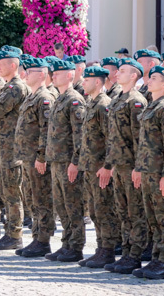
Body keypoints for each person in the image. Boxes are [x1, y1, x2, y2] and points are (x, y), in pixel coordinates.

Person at [102, 58, 148, 274]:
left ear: (133, 76)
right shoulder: (119, 99)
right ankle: (127, 253)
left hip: (130, 166)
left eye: (122, 71)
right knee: (122, 211)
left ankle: (135, 255)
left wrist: (138, 167)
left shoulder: (136, 101)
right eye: (117, 70)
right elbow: (113, 137)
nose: (117, 74)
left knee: (135, 211)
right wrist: (109, 164)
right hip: (118, 165)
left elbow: (141, 139)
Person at [131, 65, 164, 280]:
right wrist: (139, 168)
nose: (149, 81)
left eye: (155, 78)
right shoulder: (151, 107)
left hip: (160, 173)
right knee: (153, 219)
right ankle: (156, 258)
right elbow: (144, 144)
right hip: (148, 171)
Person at [0, 46, 29, 251]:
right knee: (5, 191)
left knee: (12, 194)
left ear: (13, 65)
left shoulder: (15, 88)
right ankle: (10, 232)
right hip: (3, 147)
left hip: (12, 148)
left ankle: (15, 234)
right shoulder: (8, 87)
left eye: (1, 65)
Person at [44, 59, 86, 262]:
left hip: (68, 161)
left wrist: (75, 162)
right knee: (61, 206)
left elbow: (79, 135)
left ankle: (76, 246)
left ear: (70, 75)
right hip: (56, 160)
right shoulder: (59, 99)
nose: (54, 76)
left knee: (73, 205)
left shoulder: (74, 100)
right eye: (53, 73)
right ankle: (66, 243)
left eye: (58, 73)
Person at [14, 57, 56, 258]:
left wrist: (41, 156)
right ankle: (36, 237)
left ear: (41, 75)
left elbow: (46, 130)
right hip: (27, 158)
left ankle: (43, 240)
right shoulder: (31, 97)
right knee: (32, 200)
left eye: (29, 72)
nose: (25, 75)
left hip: (37, 159)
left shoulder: (44, 98)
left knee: (41, 200)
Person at [78, 66, 119, 268]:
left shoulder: (104, 105)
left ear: (97, 82)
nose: (83, 82)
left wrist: (108, 166)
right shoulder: (91, 103)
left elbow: (112, 138)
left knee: (104, 210)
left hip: (101, 167)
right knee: (94, 210)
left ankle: (108, 251)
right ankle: (101, 248)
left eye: (87, 79)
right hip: (90, 166)